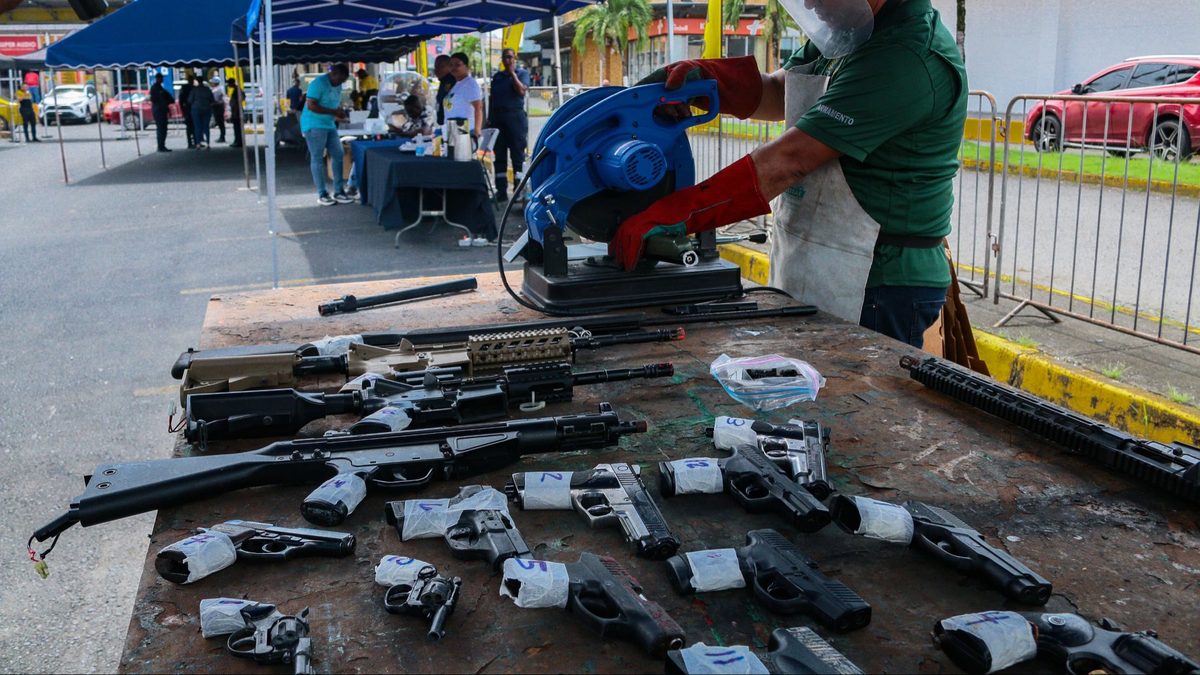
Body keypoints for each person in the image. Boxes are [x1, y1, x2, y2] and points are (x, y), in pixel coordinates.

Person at [609, 0, 966, 348]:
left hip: (880, 280)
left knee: (858, 394)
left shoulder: (905, 57)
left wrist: (679, 212)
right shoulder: (851, 31)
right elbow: (782, 90)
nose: (810, 5)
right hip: (826, 254)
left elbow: (789, 160)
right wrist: (710, 81)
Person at [301, 63, 353, 206]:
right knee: (317, 158)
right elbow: (311, 105)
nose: (340, 84)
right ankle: (322, 193)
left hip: (329, 124)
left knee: (338, 153)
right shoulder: (318, 84)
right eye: (339, 80)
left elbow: (333, 104)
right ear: (333, 74)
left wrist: (339, 112)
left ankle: (338, 190)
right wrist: (334, 112)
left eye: (342, 82)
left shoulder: (338, 84)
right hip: (314, 124)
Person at [487, 48, 530, 203]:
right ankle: (501, 191)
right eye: (505, 57)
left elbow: (521, 91)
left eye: (510, 57)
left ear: (515, 58)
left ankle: (518, 192)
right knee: (499, 156)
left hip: (515, 118)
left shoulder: (522, 74)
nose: (508, 60)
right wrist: (489, 119)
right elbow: (492, 98)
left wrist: (512, 74)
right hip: (498, 119)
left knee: (517, 156)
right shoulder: (497, 77)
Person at [444, 52, 483, 139]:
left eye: (457, 65)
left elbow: (478, 107)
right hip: (452, 130)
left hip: (465, 130)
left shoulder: (470, 84)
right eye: (451, 65)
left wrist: (477, 131)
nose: (453, 68)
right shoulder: (456, 84)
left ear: (466, 66)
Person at [149, 73, 174, 152]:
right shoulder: (155, 88)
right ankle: (160, 146)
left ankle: (162, 145)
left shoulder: (160, 88)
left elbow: (169, 98)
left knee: (163, 128)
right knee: (161, 128)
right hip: (159, 111)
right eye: (161, 78)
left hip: (161, 110)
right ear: (157, 78)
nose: (162, 79)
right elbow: (156, 99)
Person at [189, 75, 215, 149]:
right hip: (206, 108)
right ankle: (208, 143)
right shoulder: (207, 89)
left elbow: (189, 100)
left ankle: (198, 143)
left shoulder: (194, 90)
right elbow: (212, 100)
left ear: (197, 81)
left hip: (196, 109)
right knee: (206, 126)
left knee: (197, 126)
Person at [433, 54, 454, 126]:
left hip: (451, 124)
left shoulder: (450, 81)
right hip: (444, 123)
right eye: (436, 67)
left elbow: (448, 102)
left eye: (441, 67)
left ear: (450, 67)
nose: (437, 70)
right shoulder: (443, 81)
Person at [178, 75, 195, 148]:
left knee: (193, 126)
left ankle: (194, 142)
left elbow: (181, 99)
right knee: (190, 126)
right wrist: (183, 109)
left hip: (190, 109)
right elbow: (181, 100)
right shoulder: (187, 88)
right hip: (188, 109)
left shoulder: (189, 88)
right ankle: (191, 142)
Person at [209, 77, 227, 143]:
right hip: (218, 106)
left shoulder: (217, 90)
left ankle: (222, 137)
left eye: (212, 82)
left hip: (218, 107)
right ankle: (222, 136)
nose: (211, 84)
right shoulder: (219, 88)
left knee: (220, 122)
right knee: (220, 122)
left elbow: (215, 99)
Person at [227, 82, 244, 148]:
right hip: (236, 110)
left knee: (237, 128)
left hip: (236, 111)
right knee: (237, 127)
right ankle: (237, 141)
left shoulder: (236, 90)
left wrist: (234, 111)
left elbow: (236, 101)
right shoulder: (237, 89)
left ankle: (238, 141)